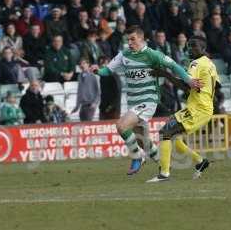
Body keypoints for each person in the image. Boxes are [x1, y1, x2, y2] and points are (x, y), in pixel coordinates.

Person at [93, 26, 202, 175]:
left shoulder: (153, 55)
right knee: (142, 140)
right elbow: (107, 71)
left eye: (133, 39)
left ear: (141, 39)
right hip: (133, 101)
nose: (130, 43)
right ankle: (163, 165)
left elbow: (174, 65)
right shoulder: (123, 55)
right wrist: (97, 71)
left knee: (121, 126)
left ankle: (137, 156)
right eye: (128, 40)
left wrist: (189, 80)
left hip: (148, 100)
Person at [147, 36, 218, 182]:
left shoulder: (196, 64)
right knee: (174, 137)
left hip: (198, 108)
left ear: (203, 48)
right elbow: (207, 86)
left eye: (194, 46)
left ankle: (164, 174)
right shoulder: (210, 64)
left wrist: (165, 73)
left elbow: (187, 86)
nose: (190, 49)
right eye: (189, 46)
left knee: (165, 132)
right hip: (201, 107)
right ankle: (200, 162)